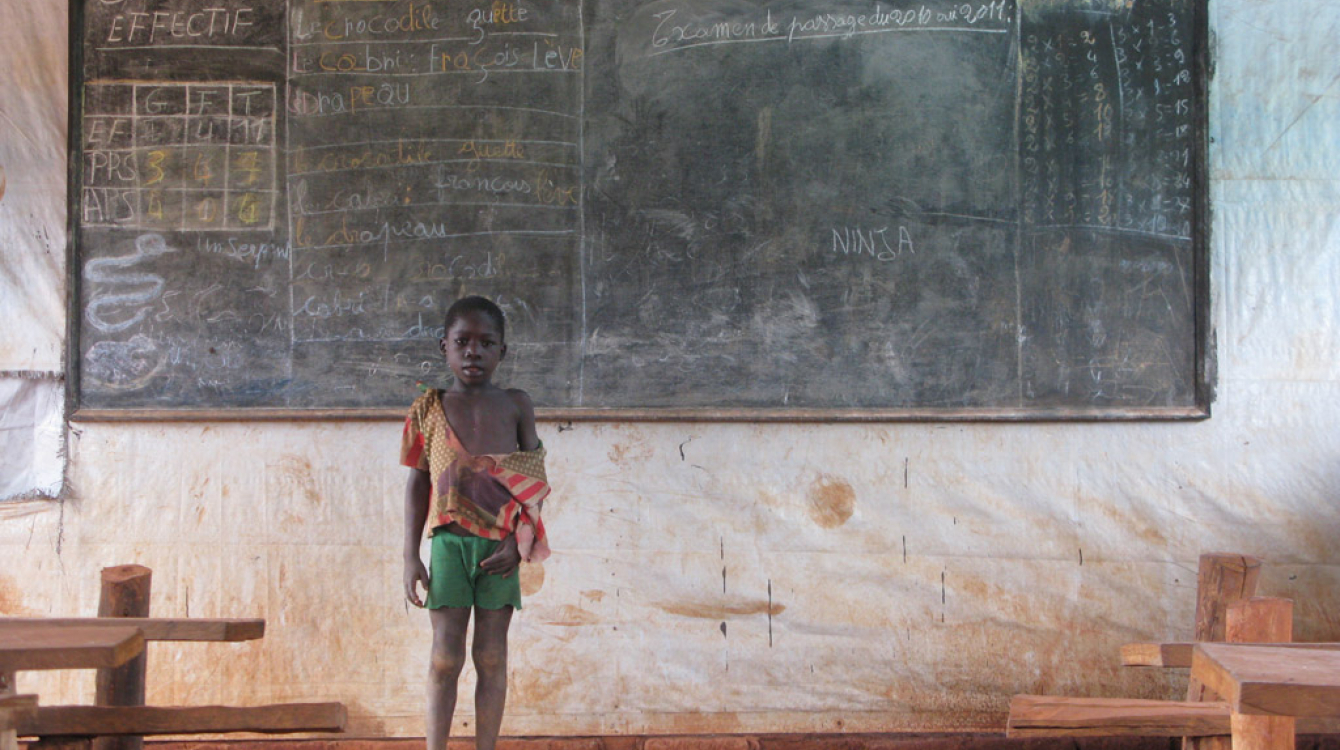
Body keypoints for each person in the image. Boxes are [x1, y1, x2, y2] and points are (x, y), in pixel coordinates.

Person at [401, 295, 550, 750]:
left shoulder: (517, 405)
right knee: (445, 658)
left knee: (490, 654)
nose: (473, 352)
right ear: (443, 345)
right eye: (462, 342)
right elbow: (417, 485)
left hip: (499, 551)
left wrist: (519, 543)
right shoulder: (429, 407)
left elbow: (534, 484)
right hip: (448, 546)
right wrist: (410, 556)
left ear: (501, 352)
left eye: (487, 343)